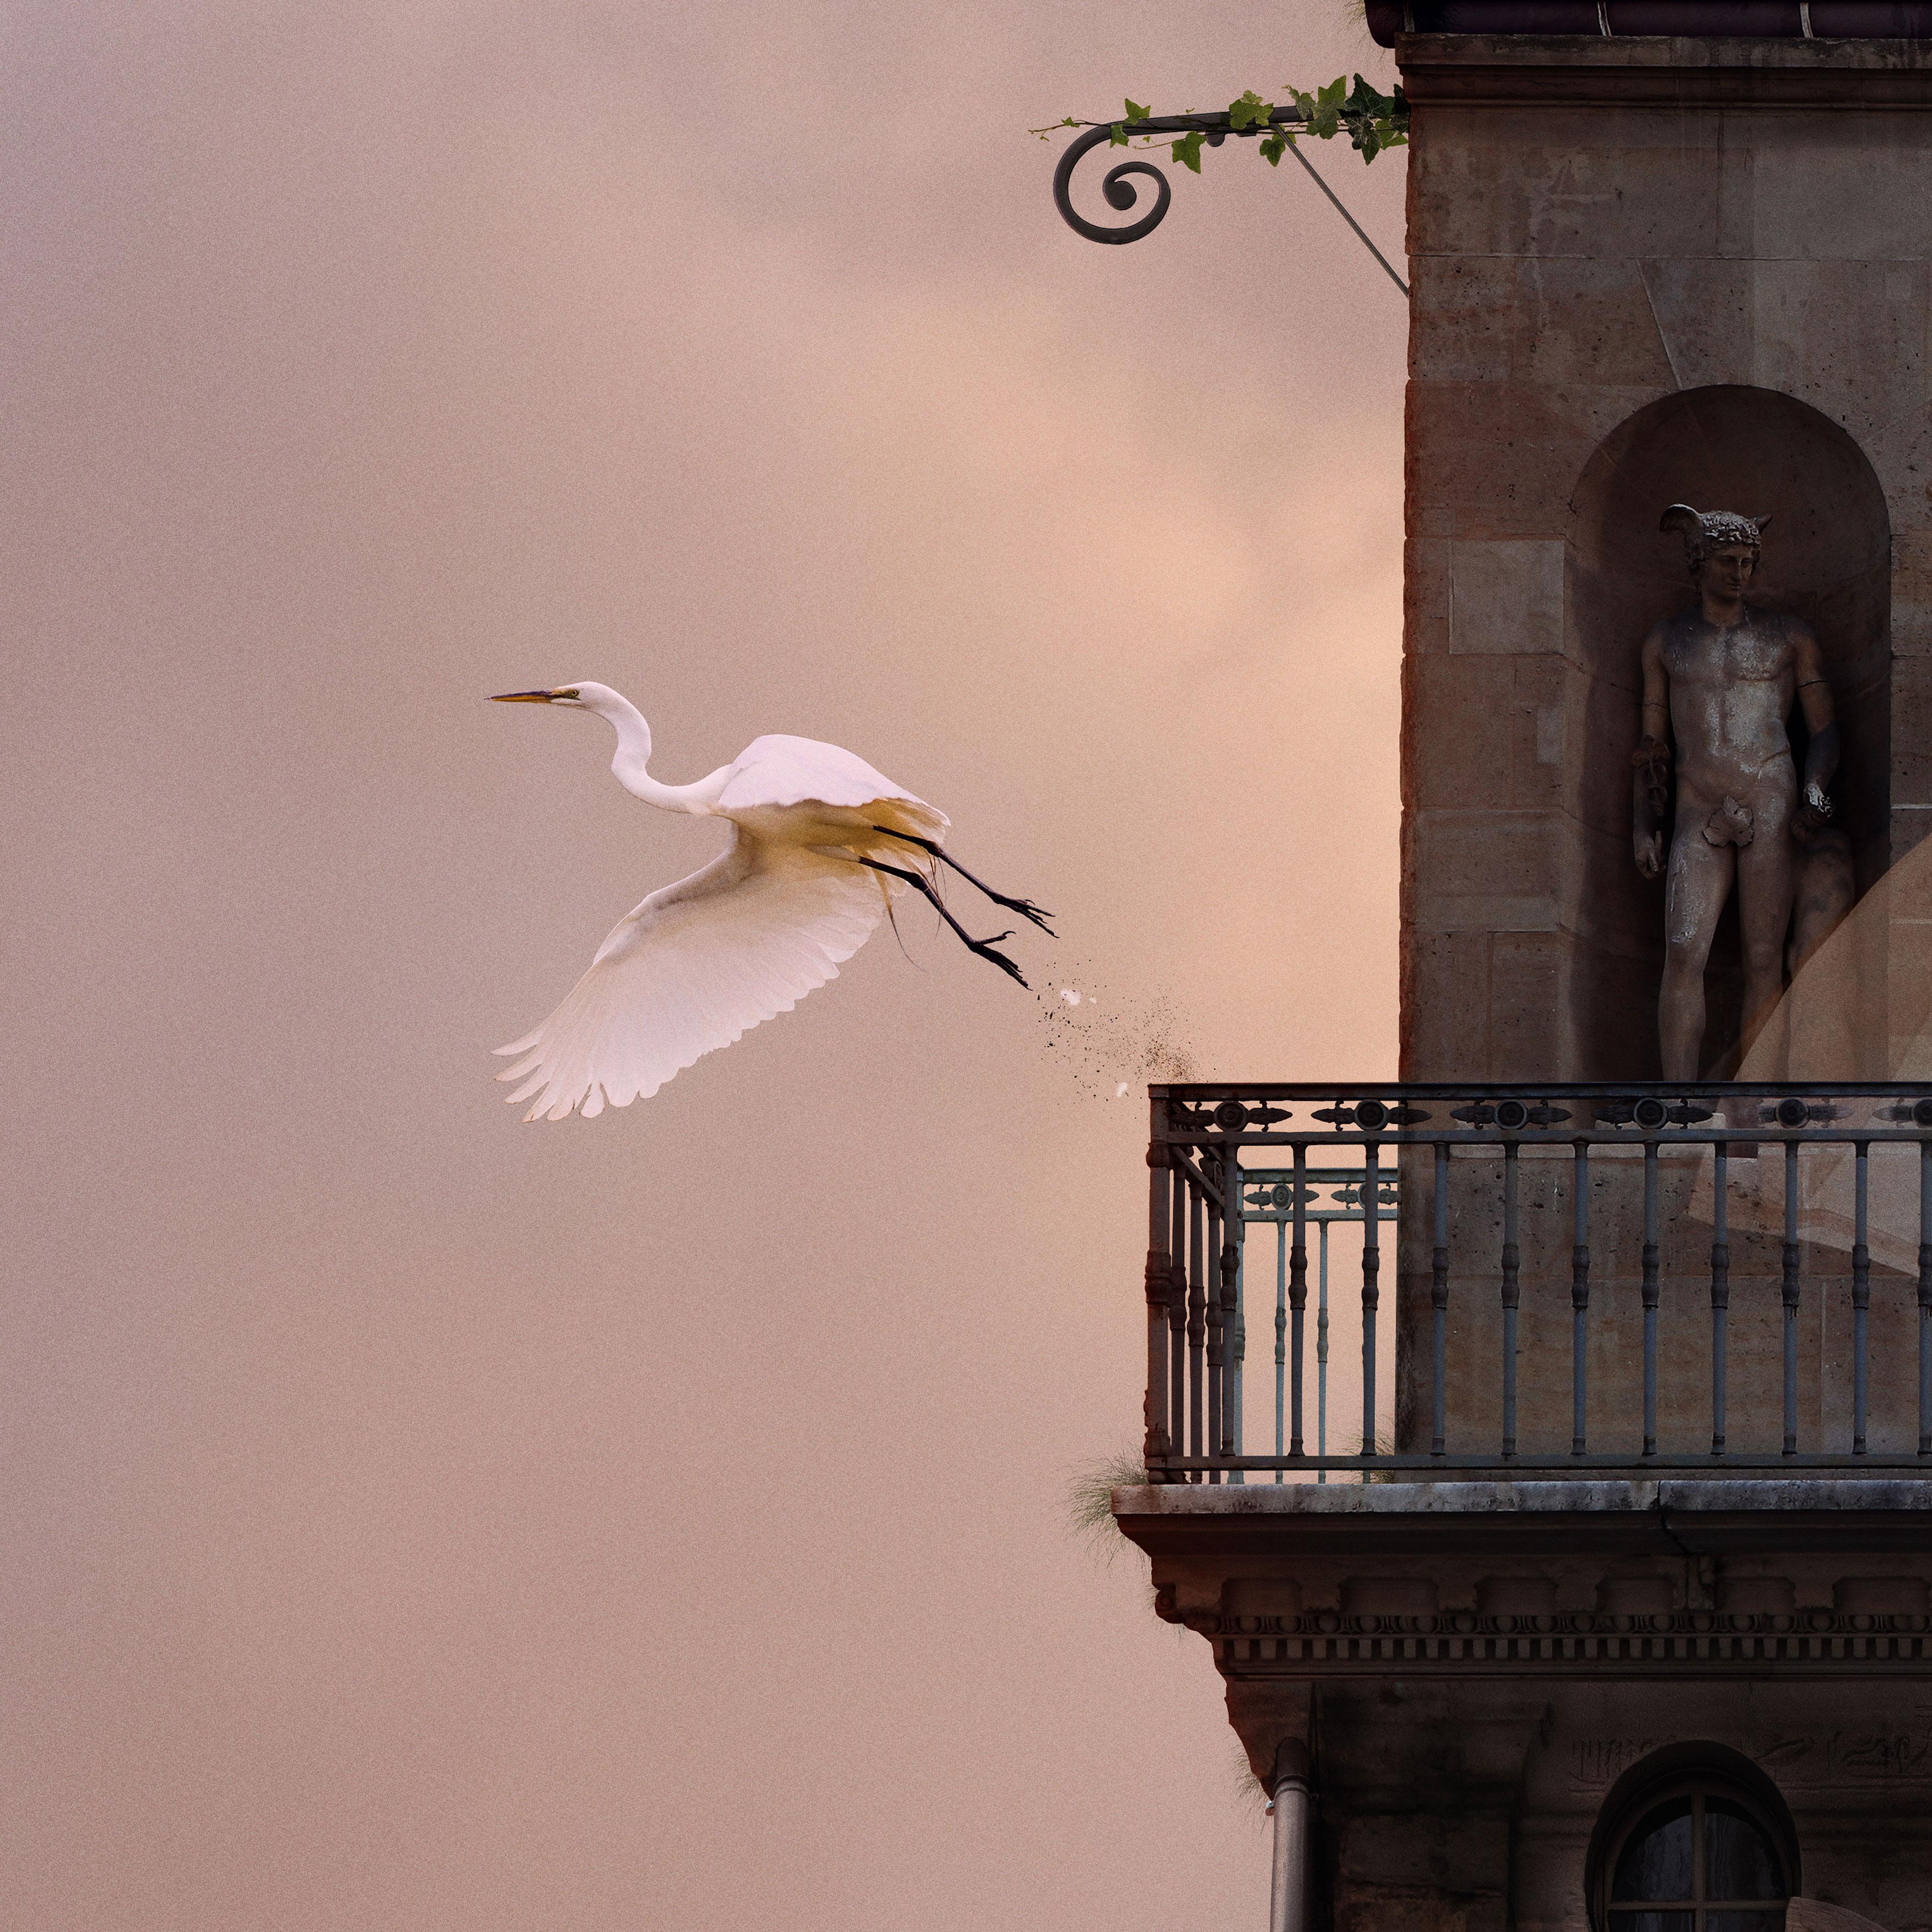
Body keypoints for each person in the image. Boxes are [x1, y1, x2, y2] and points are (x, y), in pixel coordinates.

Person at [1633, 504, 1840, 1081]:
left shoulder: (1786, 635)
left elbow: (1823, 729)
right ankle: (1675, 1101)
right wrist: (1642, 823)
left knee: (1760, 958)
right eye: (1727, 560)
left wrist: (1815, 792)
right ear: (1698, 562)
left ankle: (1749, 1099)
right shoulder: (1666, 640)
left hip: (1768, 796)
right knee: (1683, 949)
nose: (1739, 572)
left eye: (1748, 562)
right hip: (1696, 805)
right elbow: (1651, 745)